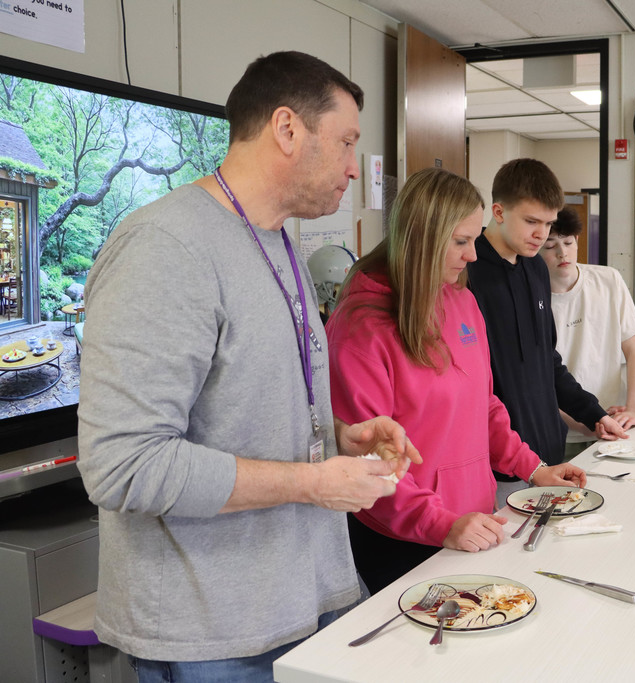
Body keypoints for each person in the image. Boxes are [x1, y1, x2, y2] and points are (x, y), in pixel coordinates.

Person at [77, 51, 420, 683]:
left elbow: (239, 408)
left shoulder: (279, 240)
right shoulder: (164, 248)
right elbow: (124, 465)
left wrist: (338, 437)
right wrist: (311, 483)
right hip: (214, 637)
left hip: (306, 602)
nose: (354, 166)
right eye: (346, 142)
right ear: (287, 129)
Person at [327, 167, 587, 593]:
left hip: (475, 522)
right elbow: (369, 459)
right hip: (405, 538)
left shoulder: (462, 301)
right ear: (423, 238)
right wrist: (440, 524)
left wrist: (534, 469)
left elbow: (484, 406)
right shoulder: (361, 327)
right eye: (461, 242)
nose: (473, 256)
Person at [466, 158, 628, 501]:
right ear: (498, 212)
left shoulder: (537, 269)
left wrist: (594, 414)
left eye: (549, 223)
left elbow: (547, 362)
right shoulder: (468, 270)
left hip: (550, 457)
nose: (542, 234)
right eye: (531, 222)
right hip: (497, 464)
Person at [541, 208, 635, 460]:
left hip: (614, 425)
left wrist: (633, 409)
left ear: (577, 240)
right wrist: (583, 423)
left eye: (568, 243)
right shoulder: (533, 297)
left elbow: (634, 350)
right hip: (559, 432)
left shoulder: (608, 280)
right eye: (550, 246)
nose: (562, 253)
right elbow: (539, 379)